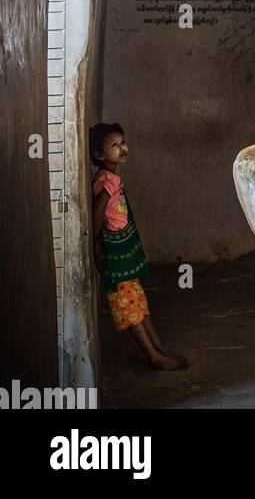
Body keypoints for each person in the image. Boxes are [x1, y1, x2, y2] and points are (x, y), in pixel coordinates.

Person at [89, 123, 188, 371]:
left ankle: (159, 348)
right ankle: (154, 356)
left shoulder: (111, 178)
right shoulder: (105, 182)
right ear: (99, 155)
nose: (122, 148)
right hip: (115, 255)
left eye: (122, 143)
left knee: (138, 302)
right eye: (114, 145)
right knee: (129, 308)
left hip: (123, 255)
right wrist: (96, 245)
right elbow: (98, 215)